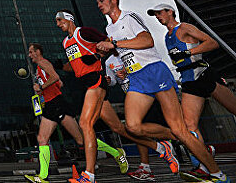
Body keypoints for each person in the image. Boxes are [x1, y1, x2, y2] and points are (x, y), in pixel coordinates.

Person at [95, 0, 230, 183]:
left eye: (101, 1)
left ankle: (218, 175)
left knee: (180, 129)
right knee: (132, 126)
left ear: (114, 0)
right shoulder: (109, 30)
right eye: (97, 2)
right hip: (136, 78)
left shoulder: (129, 17)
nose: (99, 5)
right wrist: (107, 52)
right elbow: (122, 51)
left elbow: (147, 41)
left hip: (154, 71)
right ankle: (166, 145)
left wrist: (115, 44)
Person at [148, 3, 236, 179]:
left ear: (170, 12)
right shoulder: (167, 37)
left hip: (204, 75)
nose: (158, 17)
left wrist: (190, 53)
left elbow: (212, 43)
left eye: (160, 13)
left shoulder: (185, 28)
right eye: (155, 15)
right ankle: (204, 163)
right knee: (189, 126)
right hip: (188, 81)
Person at [23, 43, 126, 183]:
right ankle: (42, 176)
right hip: (50, 105)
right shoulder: (39, 67)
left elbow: (54, 76)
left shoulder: (42, 62)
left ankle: (116, 152)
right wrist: (44, 88)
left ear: (37, 52)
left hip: (57, 104)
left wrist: (41, 86)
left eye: (31, 52)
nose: (29, 55)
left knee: (81, 140)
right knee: (42, 139)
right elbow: (59, 82)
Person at [54, 10, 128, 183]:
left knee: (85, 124)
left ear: (69, 19)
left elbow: (108, 42)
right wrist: (59, 66)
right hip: (86, 86)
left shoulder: (84, 32)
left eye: (59, 20)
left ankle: (89, 175)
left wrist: (97, 56)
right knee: (118, 128)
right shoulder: (66, 42)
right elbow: (74, 66)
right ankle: (151, 147)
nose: (58, 24)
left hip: (96, 83)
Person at [105, 54, 169, 181]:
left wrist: (127, 71)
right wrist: (109, 80)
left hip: (148, 94)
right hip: (131, 98)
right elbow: (112, 81)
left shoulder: (130, 52)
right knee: (136, 131)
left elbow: (148, 65)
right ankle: (145, 167)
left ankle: (193, 146)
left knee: (167, 127)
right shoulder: (109, 61)